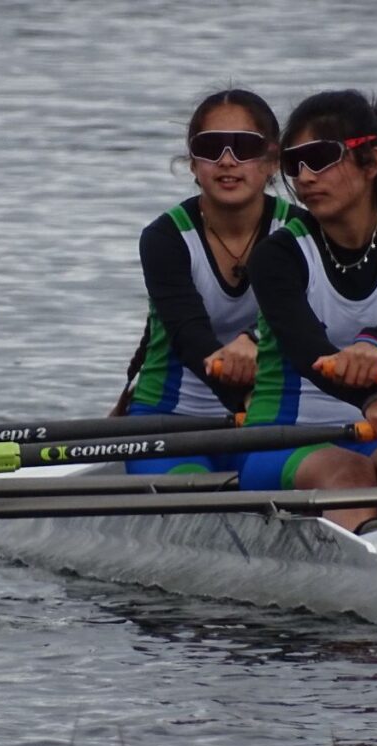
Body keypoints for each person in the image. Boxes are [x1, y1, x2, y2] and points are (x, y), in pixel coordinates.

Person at [239, 89, 377, 534]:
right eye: (293, 164)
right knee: (349, 474)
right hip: (279, 441)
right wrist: (374, 398)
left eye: (319, 158)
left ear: (371, 163)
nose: (303, 177)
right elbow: (308, 351)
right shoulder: (276, 255)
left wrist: (374, 344)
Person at [116, 88, 302, 475]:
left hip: (269, 420)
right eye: (211, 147)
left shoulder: (303, 231)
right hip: (169, 422)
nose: (227, 160)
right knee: (192, 487)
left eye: (244, 147)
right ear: (192, 163)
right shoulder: (164, 238)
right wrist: (242, 400)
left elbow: (302, 320)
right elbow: (191, 340)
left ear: (272, 161)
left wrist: (254, 342)